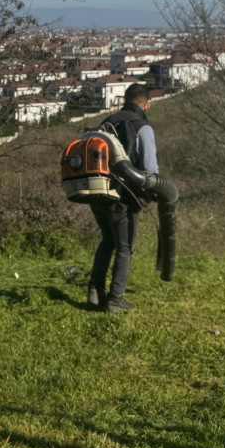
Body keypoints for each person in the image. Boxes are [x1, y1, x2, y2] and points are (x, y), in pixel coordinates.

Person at [86, 83, 158, 313]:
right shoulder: (142, 127)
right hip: (122, 198)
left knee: (107, 240)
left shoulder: (107, 122)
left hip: (96, 192)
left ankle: (95, 292)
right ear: (146, 105)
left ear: (124, 100)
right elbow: (149, 168)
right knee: (125, 247)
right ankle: (115, 299)